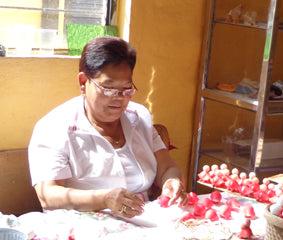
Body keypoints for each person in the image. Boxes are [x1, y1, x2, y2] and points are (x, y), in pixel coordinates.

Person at [28, 36, 188, 219]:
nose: (119, 97)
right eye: (108, 88)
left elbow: (167, 167)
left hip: (143, 221)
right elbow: (47, 195)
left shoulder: (139, 118)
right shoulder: (54, 127)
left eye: (127, 89)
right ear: (83, 82)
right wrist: (105, 199)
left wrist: (171, 182)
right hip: (81, 225)